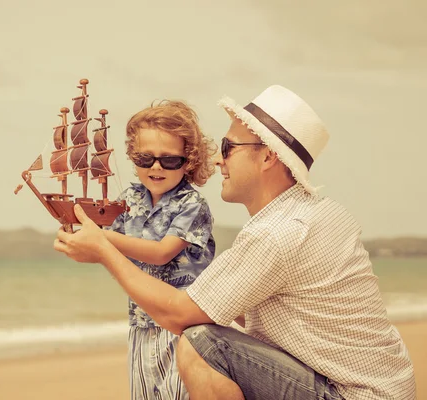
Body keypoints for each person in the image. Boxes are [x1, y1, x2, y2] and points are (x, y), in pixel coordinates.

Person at [54, 86, 416, 399]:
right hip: (377, 387)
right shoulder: (321, 212)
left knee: (203, 342)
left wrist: (103, 249)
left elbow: (178, 314)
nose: (216, 158)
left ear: (268, 156)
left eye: (228, 147)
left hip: (347, 393)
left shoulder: (277, 232)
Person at [103, 100, 216, 400]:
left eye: (169, 160)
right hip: (141, 324)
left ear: (188, 161)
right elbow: (110, 250)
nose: (156, 167)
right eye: (145, 158)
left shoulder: (192, 204)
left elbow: (161, 252)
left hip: (184, 329)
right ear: (133, 157)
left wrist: (102, 241)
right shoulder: (128, 199)